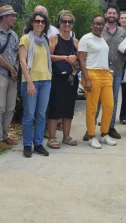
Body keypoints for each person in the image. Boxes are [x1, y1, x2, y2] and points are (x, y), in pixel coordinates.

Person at [78, 15, 118, 149]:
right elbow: (81, 60)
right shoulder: (86, 38)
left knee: (109, 106)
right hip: (92, 73)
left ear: (104, 25)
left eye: (101, 24)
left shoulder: (103, 38)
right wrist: (87, 79)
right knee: (92, 108)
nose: (98, 26)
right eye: (96, 23)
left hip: (105, 74)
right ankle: (91, 136)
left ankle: (104, 134)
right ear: (91, 24)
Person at [19, 12, 53, 158]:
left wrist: (49, 77)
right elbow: (22, 61)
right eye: (37, 21)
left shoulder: (46, 40)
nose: (40, 24)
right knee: (29, 114)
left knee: (41, 115)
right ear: (32, 23)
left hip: (45, 81)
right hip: (30, 81)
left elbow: (48, 60)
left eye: (43, 22)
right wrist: (30, 82)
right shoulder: (26, 39)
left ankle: (38, 144)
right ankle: (27, 145)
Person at [46, 11, 80, 149]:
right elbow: (48, 56)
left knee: (68, 108)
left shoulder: (75, 41)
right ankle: (52, 138)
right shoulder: (54, 38)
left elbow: (80, 60)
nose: (67, 24)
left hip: (71, 79)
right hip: (57, 79)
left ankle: (66, 136)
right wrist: (66, 57)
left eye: (70, 22)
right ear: (59, 23)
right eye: (64, 21)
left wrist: (75, 59)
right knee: (55, 108)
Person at [0, 4, 20, 148]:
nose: (14, 18)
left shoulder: (14, 35)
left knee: (10, 108)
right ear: (4, 17)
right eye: (12, 16)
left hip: (13, 76)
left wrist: (17, 69)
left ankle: (4, 134)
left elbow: (17, 54)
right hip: (1, 74)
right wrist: (10, 68)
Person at [94, 5, 126, 140]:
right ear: (106, 15)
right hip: (100, 70)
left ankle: (109, 127)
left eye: (114, 13)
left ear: (117, 16)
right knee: (96, 100)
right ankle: (90, 127)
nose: (112, 15)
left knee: (112, 100)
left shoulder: (123, 33)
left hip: (117, 71)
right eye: (109, 13)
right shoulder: (99, 30)